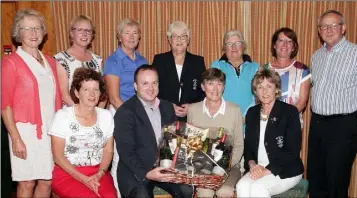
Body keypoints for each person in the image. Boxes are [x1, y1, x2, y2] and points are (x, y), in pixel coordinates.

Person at [1, 8, 62, 198]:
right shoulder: (10, 63)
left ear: (43, 32)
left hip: (49, 130)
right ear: (18, 33)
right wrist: (16, 138)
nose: (33, 33)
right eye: (27, 28)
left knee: (47, 181)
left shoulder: (51, 62)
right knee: (27, 182)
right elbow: (5, 105)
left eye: (37, 28)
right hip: (25, 132)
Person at [114, 64, 193, 198]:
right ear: (135, 86)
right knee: (142, 195)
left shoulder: (167, 107)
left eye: (154, 83)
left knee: (186, 190)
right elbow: (126, 151)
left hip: (165, 166)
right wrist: (147, 173)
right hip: (135, 171)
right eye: (145, 83)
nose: (151, 88)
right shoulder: (125, 112)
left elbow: (174, 140)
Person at [307, 10, 357, 198]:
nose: (328, 30)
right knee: (316, 178)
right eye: (323, 26)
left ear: (343, 28)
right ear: (319, 31)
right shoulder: (316, 56)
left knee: (336, 180)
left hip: (343, 126)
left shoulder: (355, 53)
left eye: (333, 25)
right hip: (317, 123)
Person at [49, 68, 117, 198]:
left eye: (96, 89)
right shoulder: (63, 116)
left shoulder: (106, 116)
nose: (92, 94)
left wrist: (99, 174)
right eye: (86, 89)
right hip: (67, 174)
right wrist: (83, 179)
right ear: (77, 92)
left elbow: (108, 151)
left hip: (98, 172)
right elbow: (57, 156)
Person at [236, 68, 303, 198]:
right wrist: (252, 164)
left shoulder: (289, 112)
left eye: (269, 86)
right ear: (255, 91)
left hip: (285, 169)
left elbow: (292, 151)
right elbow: (248, 146)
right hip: (258, 168)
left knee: (258, 188)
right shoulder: (252, 113)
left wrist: (267, 170)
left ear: (277, 89)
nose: (265, 91)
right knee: (241, 186)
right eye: (260, 87)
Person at [103, 18, 148, 196]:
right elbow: (114, 98)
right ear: (119, 36)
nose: (131, 36)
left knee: (138, 156)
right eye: (126, 32)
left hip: (140, 113)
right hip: (121, 113)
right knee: (120, 158)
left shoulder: (143, 60)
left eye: (135, 33)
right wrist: (135, 117)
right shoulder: (113, 61)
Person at [187, 68, 244, 198]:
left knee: (225, 192)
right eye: (210, 83)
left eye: (219, 83)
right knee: (205, 193)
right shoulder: (193, 109)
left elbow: (239, 144)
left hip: (229, 167)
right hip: (202, 168)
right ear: (202, 86)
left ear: (224, 87)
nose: (215, 89)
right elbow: (191, 144)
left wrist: (224, 166)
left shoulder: (234, 110)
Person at [152, 21, 206, 122]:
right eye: (175, 36)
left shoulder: (198, 61)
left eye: (183, 36)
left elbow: (203, 91)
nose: (179, 40)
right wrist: (168, 105)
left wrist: (192, 107)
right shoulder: (159, 60)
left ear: (188, 39)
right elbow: (153, 88)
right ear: (169, 39)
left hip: (191, 117)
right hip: (164, 115)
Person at [54, 15, 106, 108]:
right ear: (71, 33)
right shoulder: (61, 60)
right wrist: (82, 114)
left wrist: (98, 113)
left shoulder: (98, 60)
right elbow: (64, 96)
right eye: (80, 30)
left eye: (88, 31)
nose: (84, 34)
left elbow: (103, 94)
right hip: (71, 115)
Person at [263, 27, 311, 125]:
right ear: (274, 45)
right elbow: (259, 99)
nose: (285, 44)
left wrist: (283, 119)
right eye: (281, 40)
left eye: (289, 41)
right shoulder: (264, 69)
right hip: (267, 123)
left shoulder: (302, 70)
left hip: (291, 123)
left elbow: (302, 102)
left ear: (293, 47)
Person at [210, 29, 259, 117]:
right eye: (229, 44)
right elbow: (212, 94)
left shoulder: (255, 67)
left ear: (243, 46)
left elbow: (258, 96)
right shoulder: (216, 66)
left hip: (249, 119)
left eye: (237, 43)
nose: (234, 47)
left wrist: (247, 116)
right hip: (223, 119)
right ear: (224, 48)